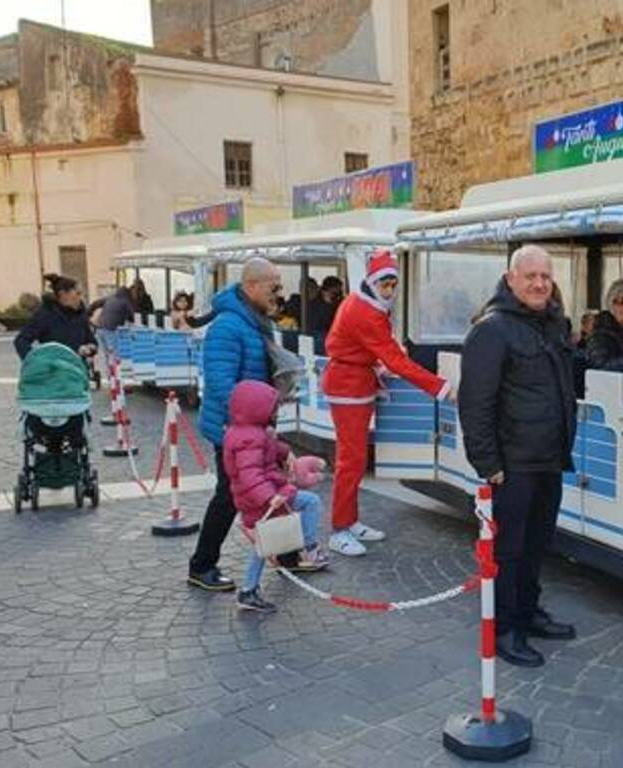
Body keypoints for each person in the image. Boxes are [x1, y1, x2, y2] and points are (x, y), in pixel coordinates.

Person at [458, 244, 578, 668]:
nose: (539, 284)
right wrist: (488, 465)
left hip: (549, 459)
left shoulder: (553, 324)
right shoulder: (491, 329)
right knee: (508, 549)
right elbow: (475, 404)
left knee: (536, 545)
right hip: (511, 466)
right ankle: (506, 628)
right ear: (511, 280)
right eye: (530, 276)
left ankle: (529, 613)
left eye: (545, 276)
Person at [322, 250, 452, 557]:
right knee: (350, 461)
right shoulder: (365, 312)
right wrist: (440, 387)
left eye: (393, 285)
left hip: (354, 384)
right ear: (372, 282)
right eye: (386, 285)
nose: (390, 291)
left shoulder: (362, 303)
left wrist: (379, 364)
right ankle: (340, 528)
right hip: (348, 389)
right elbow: (394, 358)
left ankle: (349, 521)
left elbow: (379, 352)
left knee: (354, 459)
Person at [188, 258, 285, 592]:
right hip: (234, 429)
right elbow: (220, 382)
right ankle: (201, 565)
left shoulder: (253, 320)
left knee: (271, 485)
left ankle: (286, 554)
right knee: (229, 496)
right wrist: (252, 419)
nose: (278, 294)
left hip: (252, 426)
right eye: (274, 286)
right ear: (253, 285)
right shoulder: (229, 326)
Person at [224, 379, 329, 612]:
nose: (276, 413)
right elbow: (250, 474)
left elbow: (267, 450)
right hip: (263, 498)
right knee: (310, 503)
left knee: (264, 545)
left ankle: (249, 590)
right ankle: (309, 548)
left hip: (264, 495)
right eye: (273, 408)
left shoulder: (249, 432)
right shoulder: (250, 437)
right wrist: (269, 496)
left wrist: (285, 452)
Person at [14, 274, 97, 360]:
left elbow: (91, 340)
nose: (81, 298)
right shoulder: (45, 314)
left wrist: (90, 348)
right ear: (63, 294)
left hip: (77, 368)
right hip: (54, 369)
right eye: (78, 294)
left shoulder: (80, 314)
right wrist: (36, 361)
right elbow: (21, 341)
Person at [88, 286, 134, 358]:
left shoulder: (109, 298)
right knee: (114, 354)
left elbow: (95, 303)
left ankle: (106, 367)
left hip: (100, 328)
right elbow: (132, 317)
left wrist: (88, 313)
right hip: (111, 329)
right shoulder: (126, 301)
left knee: (104, 354)